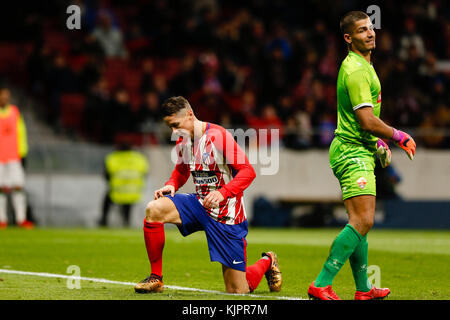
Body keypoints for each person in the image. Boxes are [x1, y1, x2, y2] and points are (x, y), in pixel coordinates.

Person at [307, 11, 416, 300]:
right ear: (348, 38)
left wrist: (376, 144)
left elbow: (362, 123)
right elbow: (367, 121)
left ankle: (364, 289)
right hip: (351, 152)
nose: (370, 33)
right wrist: (398, 136)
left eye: (371, 28)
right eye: (361, 30)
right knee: (363, 221)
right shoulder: (356, 70)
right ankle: (321, 283)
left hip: (358, 148)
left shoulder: (362, 66)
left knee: (360, 222)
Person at [134, 96, 282, 294]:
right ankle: (156, 278)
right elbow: (181, 170)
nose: (174, 132)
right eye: (170, 127)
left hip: (226, 215)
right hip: (199, 204)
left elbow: (248, 171)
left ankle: (267, 261)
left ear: (189, 115)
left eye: (176, 125)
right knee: (154, 208)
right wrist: (171, 185)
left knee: (238, 291)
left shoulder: (218, 136)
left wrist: (223, 193)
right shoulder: (183, 140)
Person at [0, 86, 33, 229]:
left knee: (18, 187)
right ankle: (2, 219)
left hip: (14, 157)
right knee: (1, 189)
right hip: (0, 158)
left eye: (7, 95)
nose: (5, 98)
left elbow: (21, 133)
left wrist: (22, 153)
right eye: (3, 95)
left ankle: (21, 219)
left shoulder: (14, 112)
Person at [99, 142, 149, 227]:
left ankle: (104, 221)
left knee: (107, 201)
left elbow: (106, 175)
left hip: (116, 190)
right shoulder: (139, 158)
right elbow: (144, 174)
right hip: (133, 191)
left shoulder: (113, 157)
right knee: (127, 207)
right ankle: (126, 222)